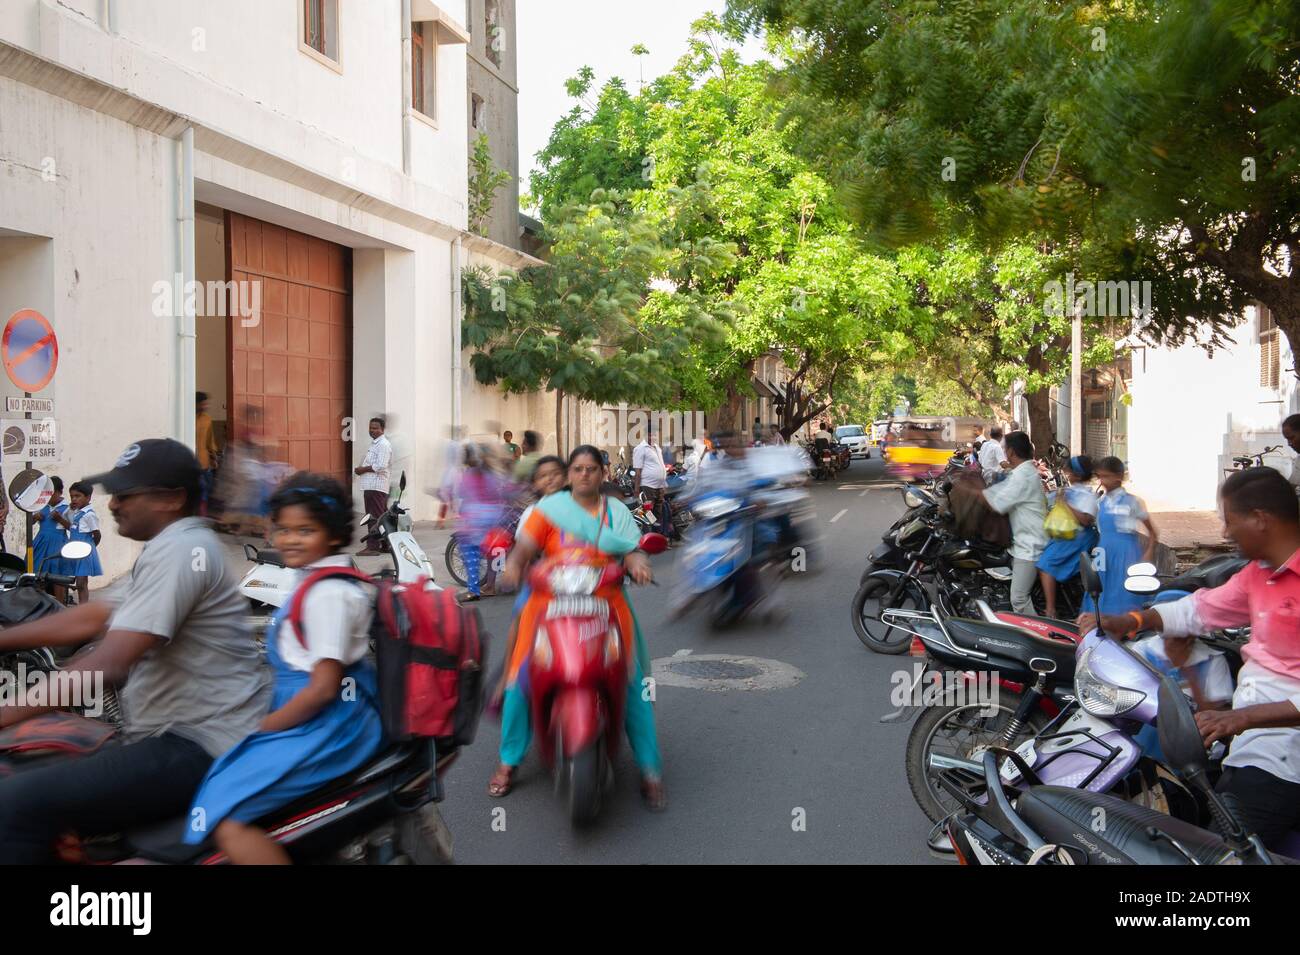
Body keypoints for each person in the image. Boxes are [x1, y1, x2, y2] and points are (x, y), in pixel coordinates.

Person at [0, 439, 271, 863]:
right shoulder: (169, 548)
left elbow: (109, 662)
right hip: (173, 735)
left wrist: (6, 714)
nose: (113, 505)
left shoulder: (184, 551)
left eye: (126, 495)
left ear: (171, 499)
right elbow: (93, 617)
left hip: (199, 743)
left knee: (13, 804)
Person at [1090, 467, 1300, 850]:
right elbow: (1198, 610)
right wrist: (1134, 619)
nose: (1224, 533)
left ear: (1261, 520)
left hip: (1283, 755)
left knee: (1223, 853)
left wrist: (1239, 718)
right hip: (1252, 741)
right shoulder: (1259, 575)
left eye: (1230, 521)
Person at [184, 473, 383, 863]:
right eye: (283, 529)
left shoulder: (329, 594)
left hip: (331, 723)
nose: (290, 539)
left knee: (227, 817)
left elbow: (324, 688)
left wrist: (264, 729)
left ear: (332, 534)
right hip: (314, 715)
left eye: (305, 530)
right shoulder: (312, 579)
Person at [488, 446, 665, 809]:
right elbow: (524, 548)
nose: (584, 475)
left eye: (591, 469)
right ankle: (508, 760)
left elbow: (632, 548)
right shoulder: (548, 511)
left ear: (602, 473)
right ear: (570, 475)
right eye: (578, 469)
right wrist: (513, 567)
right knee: (521, 678)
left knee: (633, 684)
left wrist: (637, 563)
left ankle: (650, 771)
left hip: (606, 603)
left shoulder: (615, 511)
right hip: (550, 604)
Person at [971, 431, 1047, 615]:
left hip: (1030, 544)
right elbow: (999, 492)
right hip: (1026, 538)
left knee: (1019, 599)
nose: (1004, 453)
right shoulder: (1023, 472)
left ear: (1011, 452)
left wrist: (968, 493)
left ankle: (1038, 638)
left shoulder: (1023, 476)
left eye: (1005, 450)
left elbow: (996, 502)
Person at [1092, 456, 1158, 617]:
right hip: (1103, 552)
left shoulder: (1133, 502)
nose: (1102, 480)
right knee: (1099, 591)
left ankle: (1127, 627)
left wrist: (1149, 552)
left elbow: (1153, 532)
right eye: (1100, 476)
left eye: (1106, 476)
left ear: (1118, 477)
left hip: (1126, 553)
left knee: (1125, 592)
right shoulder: (1100, 501)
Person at [1036, 456, 1099, 618]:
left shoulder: (1087, 495)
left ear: (1077, 475)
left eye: (1069, 471)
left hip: (1079, 537)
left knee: (1045, 565)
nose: (1066, 473)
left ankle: (1051, 610)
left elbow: (1086, 520)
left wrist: (1066, 504)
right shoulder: (1070, 490)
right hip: (1067, 535)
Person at [453, 444, 510, 601]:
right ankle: (492, 585)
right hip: (495, 515)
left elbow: (461, 493)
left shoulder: (468, 474)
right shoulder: (492, 474)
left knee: (470, 552)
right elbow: (500, 492)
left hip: (474, 517)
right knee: (493, 552)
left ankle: (473, 590)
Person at [60, 480, 104, 604]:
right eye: (72, 496)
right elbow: (68, 522)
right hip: (74, 549)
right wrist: (70, 508)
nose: (74, 499)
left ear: (88, 497)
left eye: (77, 496)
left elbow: (97, 534)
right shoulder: (76, 512)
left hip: (84, 551)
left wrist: (91, 548)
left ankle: (83, 607)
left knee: (81, 582)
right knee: (71, 579)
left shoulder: (89, 515)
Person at [355, 417, 392, 556]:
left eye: (376, 428)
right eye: (371, 427)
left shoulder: (383, 444)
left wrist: (362, 470)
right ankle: (386, 544)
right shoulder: (376, 444)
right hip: (372, 486)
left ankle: (372, 546)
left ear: (382, 429)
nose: (372, 430)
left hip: (376, 486)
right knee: (381, 517)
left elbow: (381, 466)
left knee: (373, 517)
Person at [633, 425, 674, 540]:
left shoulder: (657, 448)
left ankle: (658, 538)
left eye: (655, 434)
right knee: (648, 513)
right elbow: (638, 471)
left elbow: (661, 466)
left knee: (658, 513)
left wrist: (663, 483)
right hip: (648, 486)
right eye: (651, 434)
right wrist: (636, 490)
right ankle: (648, 537)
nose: (653, 437)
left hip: (659, 486)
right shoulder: (640, 448)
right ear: (646, 435)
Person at [31, 476, 70, 582]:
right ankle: (39, 597)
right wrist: (34, 517)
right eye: (46, 494)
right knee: (37, 572)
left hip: (58, 543)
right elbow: (30, 522)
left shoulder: (67, 507)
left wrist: (60, 519)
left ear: (59, 492)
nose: (49, 497)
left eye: (52, 494)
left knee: (57, 575)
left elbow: (73, 528)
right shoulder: (41, 505)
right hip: (41, 542)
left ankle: (59, 599)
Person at [196, 391, 221, 515]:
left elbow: (210, 440)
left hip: (205, 462)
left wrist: (214, 457)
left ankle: (206, 513)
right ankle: (201, 514)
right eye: (203, 403)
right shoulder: (187, 418)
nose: (206, 406)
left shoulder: (207, 419)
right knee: (201, 491)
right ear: (196, 404)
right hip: (192, 463)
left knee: (210, 488)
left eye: (207, 404)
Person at [1283, 413, 1300, 489]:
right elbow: (1291, 488)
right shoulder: (1298, 461)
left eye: (1292, 438)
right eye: (1287, 439)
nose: (1289, 444)